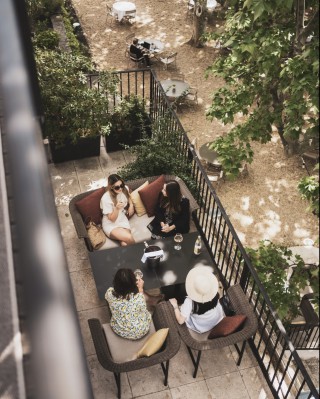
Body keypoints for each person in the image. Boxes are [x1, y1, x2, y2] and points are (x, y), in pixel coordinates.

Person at [169, 266, 225, 333]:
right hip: (215, 318)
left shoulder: (189, 302)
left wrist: (175, 305)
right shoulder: (214, 292)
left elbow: (181, 321)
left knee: (181, 310)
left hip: (202, 326)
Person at [105, 268, 152, 340]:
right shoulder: (139, 298)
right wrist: (140, 289)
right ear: (133, 283)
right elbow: (143, 310)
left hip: (120, 331)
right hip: (141, 330)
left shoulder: (109, 293)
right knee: (144, 312)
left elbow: (109, 293)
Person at [100, 174, 135, 246]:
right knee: (129, 237)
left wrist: (131, 205)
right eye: (117, 187)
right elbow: (112, 219)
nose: (120, 189)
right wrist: (116, 208)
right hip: (110, 224)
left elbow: (128, 196)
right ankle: (141, 253)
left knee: (124, 244)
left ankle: (131, 256)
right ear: (111, 187)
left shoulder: (124, 189)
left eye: (121, 185)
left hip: (122, 219)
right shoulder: (106, 198)